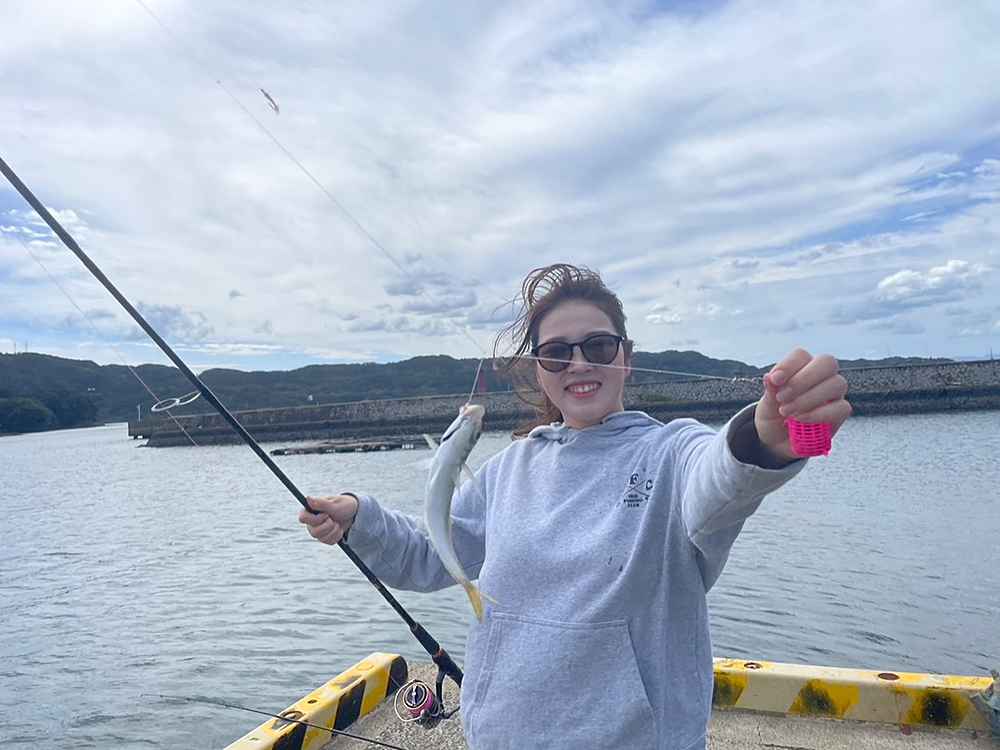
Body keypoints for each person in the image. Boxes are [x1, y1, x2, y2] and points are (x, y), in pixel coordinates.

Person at [299, 264, 851, 750]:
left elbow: (721, 479)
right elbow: (426, 557)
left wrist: (765, 437)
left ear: (627, 357)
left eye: (598, 346)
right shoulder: (507, 471)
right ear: (540, 369)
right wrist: (360, 519)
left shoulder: (673, 452)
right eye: (558, 353)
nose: (579, 364)